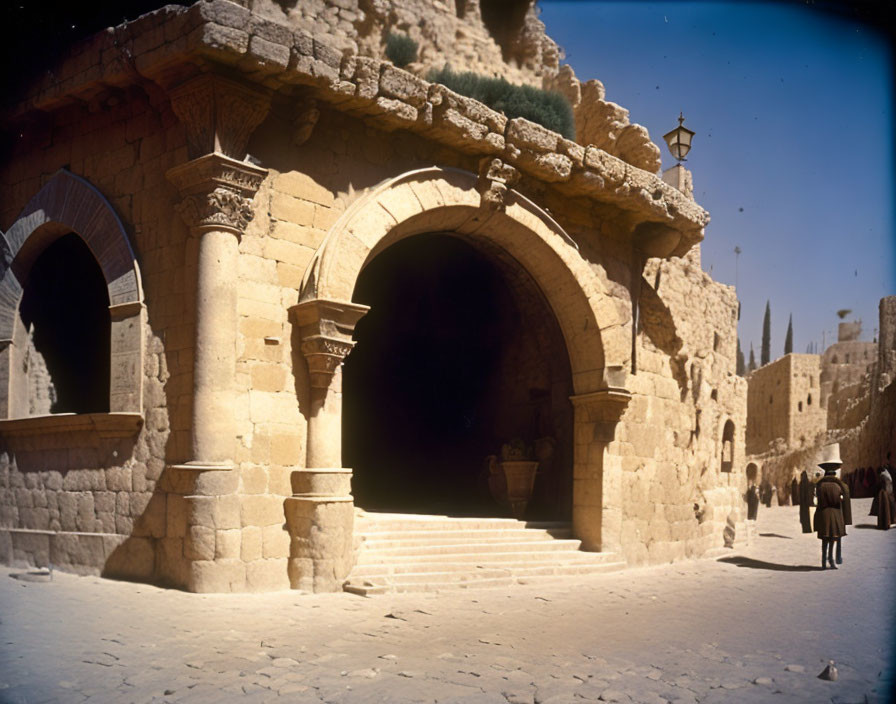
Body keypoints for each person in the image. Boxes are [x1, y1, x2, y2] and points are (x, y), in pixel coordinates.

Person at [814, 443, 849, 569]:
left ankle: (823, 561)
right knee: (833, 539)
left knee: (825, 540)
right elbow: (838, 500)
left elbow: (818, 500)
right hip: (834, 515)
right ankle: (831, 560)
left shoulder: (820, 485)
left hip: (823, 514)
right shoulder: (837, 486)